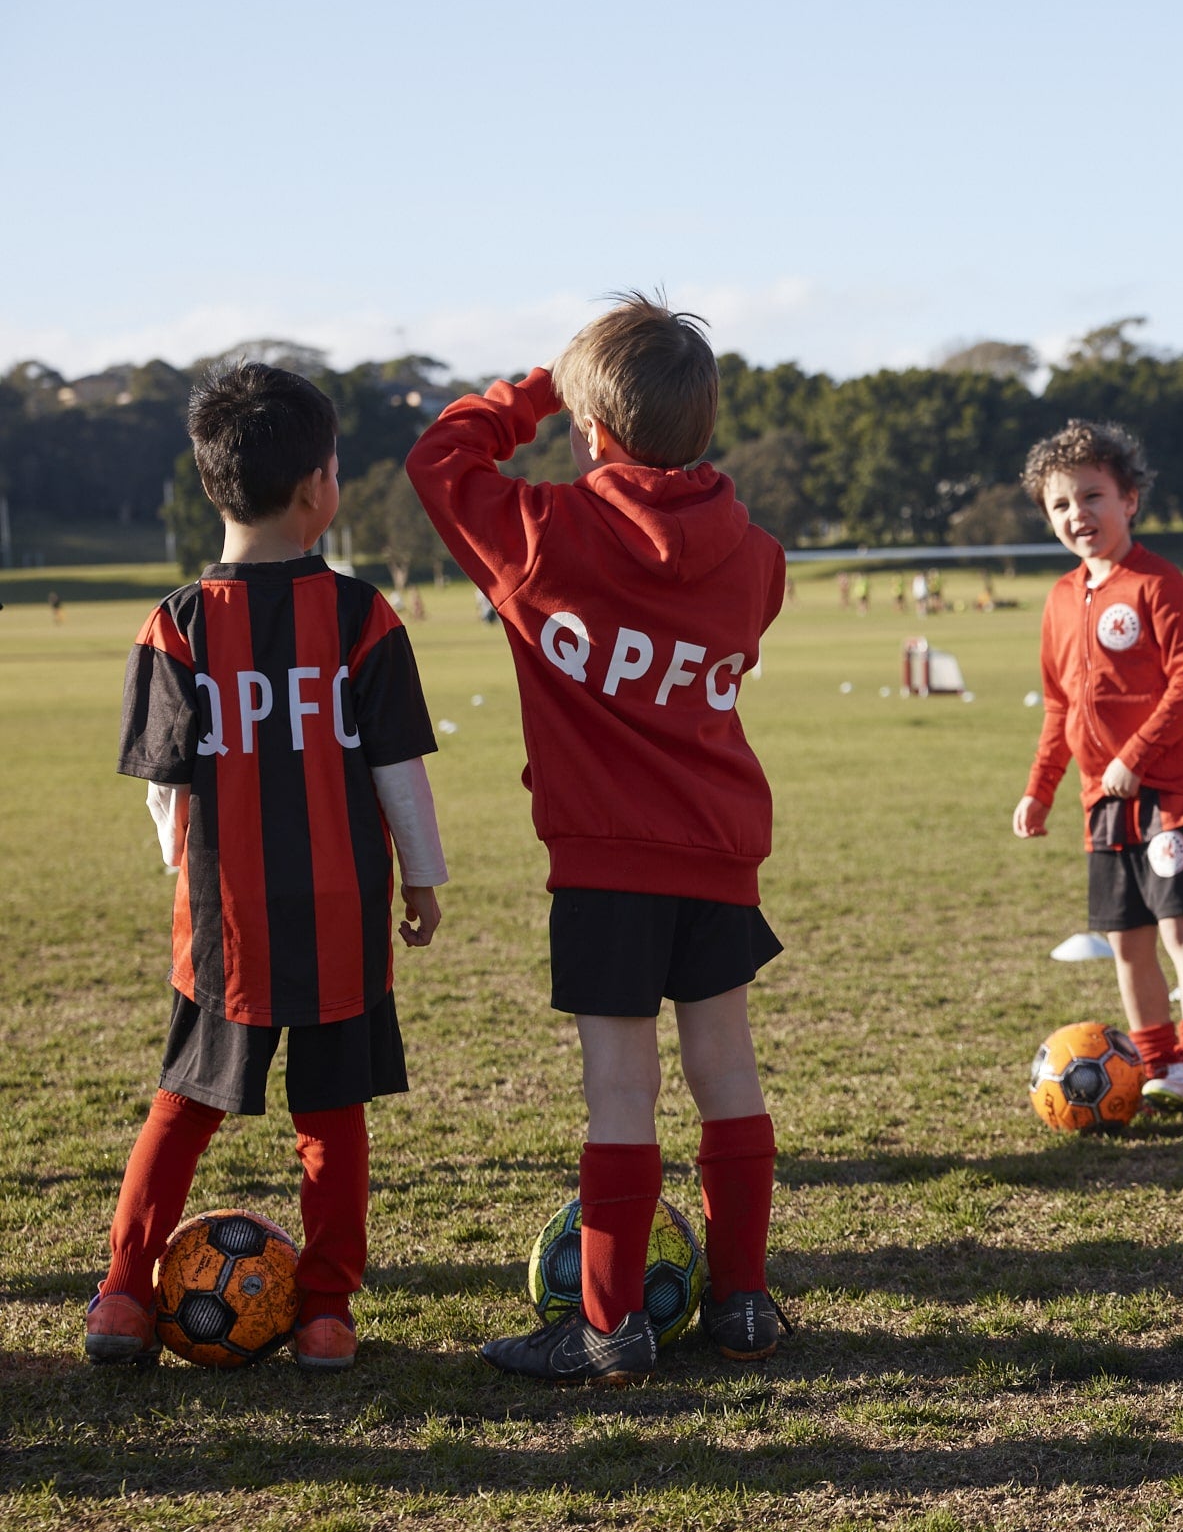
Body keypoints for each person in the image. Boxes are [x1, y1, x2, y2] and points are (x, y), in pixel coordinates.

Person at [408, 295, 791, 1381]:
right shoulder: (755, 555)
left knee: (620, 1089)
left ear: (588, 425)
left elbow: (440, 454)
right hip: (718, 846)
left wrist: (536, 382)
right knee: (728, 1070)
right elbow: (736, 618)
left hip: (605, 859)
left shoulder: (539, 535)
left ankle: (610, 1323)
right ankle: (746, 1301)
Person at [86, 363, 447, 1372]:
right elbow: (397, 771)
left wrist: (183, 866)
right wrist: (421, 879)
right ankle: (326, 1314)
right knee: (331, 1122)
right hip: (340, 913)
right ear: (318, 489)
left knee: (184, 1103)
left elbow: (165, 790)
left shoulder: (176, 622)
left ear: (211, 483)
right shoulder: (364, 615)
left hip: (224, 915)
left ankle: (121, 1296)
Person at [1013, 421, 1183, 1121]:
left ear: (1129, 499)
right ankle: (1158, 1066)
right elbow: (1059, 705)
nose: (1078, 514)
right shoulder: (1057, 598)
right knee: (1126, 940)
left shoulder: (1159, 585)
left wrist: (1135, 758)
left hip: (1166, 793)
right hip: (1100, 801)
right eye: (1061, 504)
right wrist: (1039, 788)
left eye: (1092, 495)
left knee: (1180, 930)